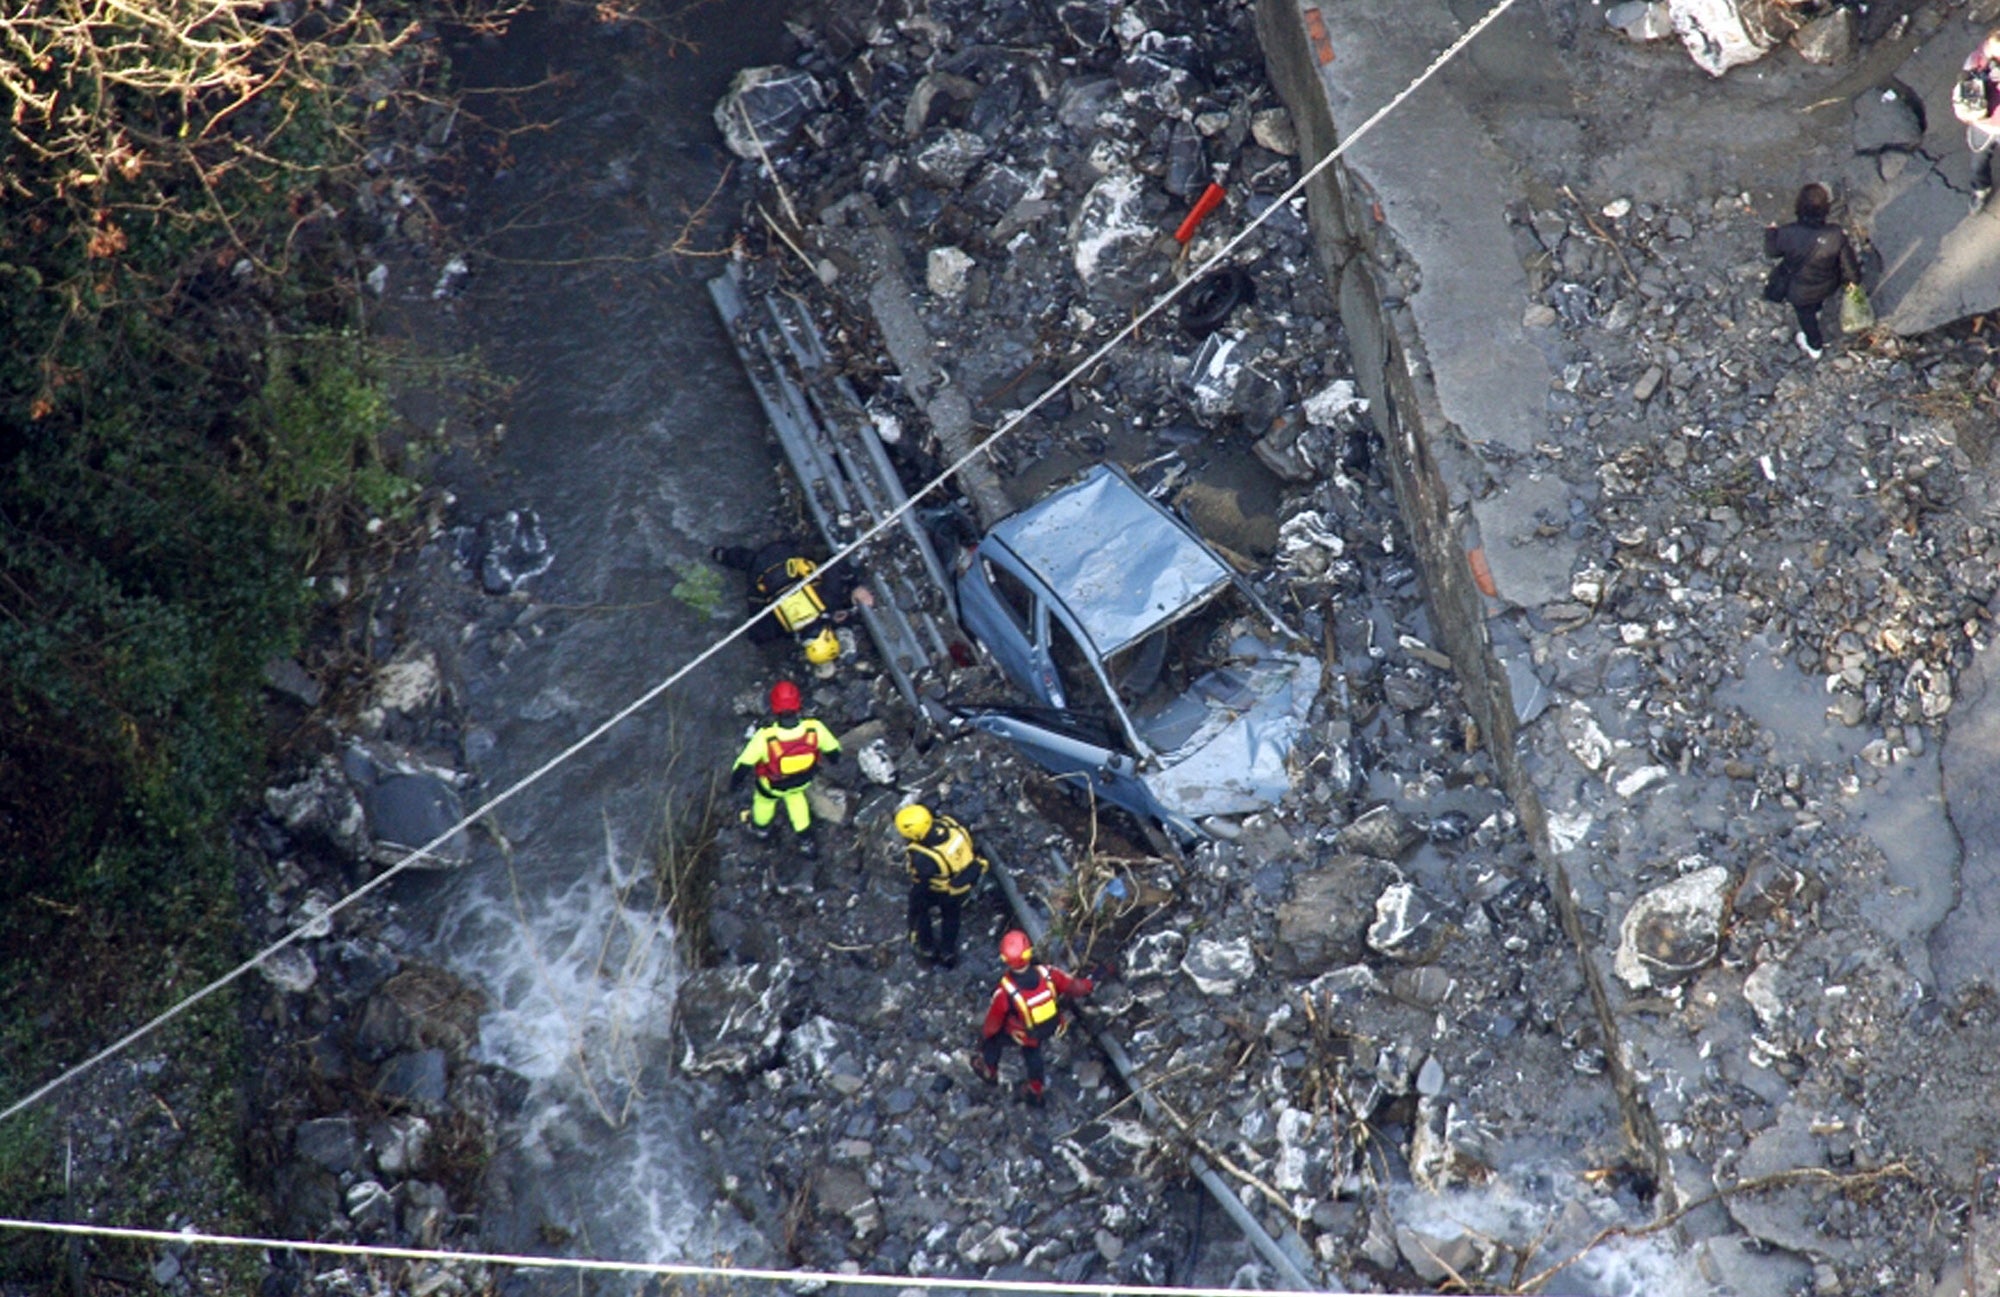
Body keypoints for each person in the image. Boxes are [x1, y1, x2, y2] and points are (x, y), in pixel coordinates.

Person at [973, 930, 1095, 1107]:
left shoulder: (1005, 992)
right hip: (1051, 1026)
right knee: (1033, 1058)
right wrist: (1092, 981)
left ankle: (989, 1070)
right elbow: (1075, 987)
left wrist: (985, 1035)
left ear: (1005, 959)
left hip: (1022, 1033)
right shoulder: (1049, 974)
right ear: (1029, 952)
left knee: (994, 1042)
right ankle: (1035, 1088)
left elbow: (993, 1022)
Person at [711, 540, 873, 670]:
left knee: (758, 563)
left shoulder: (828, 600)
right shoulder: (785, 627)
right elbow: (756, 635)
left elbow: (834, 563)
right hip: (761, 570)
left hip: (783, 552)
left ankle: (721, 554)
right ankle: (721, 554)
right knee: (752, 565)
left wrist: (855, 586)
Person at [729, 680, 841, 848]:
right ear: (798, 704)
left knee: (763, 803)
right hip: (802, 781)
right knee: (797, 803)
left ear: (774, 707)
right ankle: (806, 840)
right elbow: (834, 752)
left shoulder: (765, 737)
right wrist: (831, 761)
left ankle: (761, 829)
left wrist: (734, 784)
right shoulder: (814, 729)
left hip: (772, 786)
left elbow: (742, 766)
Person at [1763, 183, 1861, 361]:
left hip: (1800, 291)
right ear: (1825, 209)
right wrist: (1853, 282)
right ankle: (1818, 308)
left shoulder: (1787, 233)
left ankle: (1814, 345)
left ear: (1799, 207)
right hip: (1827, 284)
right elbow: (1849, 266)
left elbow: (1772, 252)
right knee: (1815, 304)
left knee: (1806, 316)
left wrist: (1770, 232)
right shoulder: (1835, 234)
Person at [897, 803, 989, 969]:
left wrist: (916, 903)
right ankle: (948, 951)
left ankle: (927, 947)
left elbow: (921, 883)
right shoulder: (951, 823)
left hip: (942, 890)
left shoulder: (924, 857)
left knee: (921, 911)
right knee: (952, 917)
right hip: (962, 882)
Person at [1955, 28, 2000, 211]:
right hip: (1983, 126)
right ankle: (1981, 189)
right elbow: (1963, 91)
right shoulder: (1976, 61)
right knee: (1978, 163)